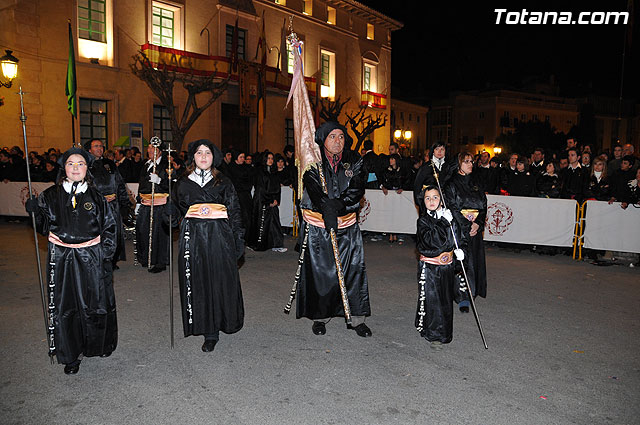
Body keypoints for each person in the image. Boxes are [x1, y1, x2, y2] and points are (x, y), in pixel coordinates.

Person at [25, 147, 117, 374]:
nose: (76, 168)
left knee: (95, 303)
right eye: (71, 164)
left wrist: (102, 255)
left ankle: (98, 344)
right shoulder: (49, 195)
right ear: (64, 168)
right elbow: (44, 228)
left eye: (81, 164)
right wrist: (35, 213)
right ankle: (70, 354)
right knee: (65, 306)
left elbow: (110, 229)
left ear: (87, 168)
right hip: (62, 258)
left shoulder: (98, 198)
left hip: (91, 257)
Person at [167, 139, 244, 352]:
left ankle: (218, 326)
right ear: (193, 156)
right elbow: (174, 213)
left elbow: (235, 212)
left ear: (214, 157)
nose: (203, 157)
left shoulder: (224, 182)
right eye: (199, 152)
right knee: (198, 281)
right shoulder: (182, 182)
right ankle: (205, 327)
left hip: (220, 237)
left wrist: (239, 240)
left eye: (207, 153)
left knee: (218, 280)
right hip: (193, 239)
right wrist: (169, 213)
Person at [296, 121, 372, 337]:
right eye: (332, 136)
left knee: (353, 270)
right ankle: (321, 317)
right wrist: (325, 206)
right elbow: (311, 185)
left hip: (347, 224)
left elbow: (357, 186)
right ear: (323, 138)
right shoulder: (313, 161)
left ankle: (357, 319)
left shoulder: (354, 159)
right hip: (320, 226)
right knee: (322, 272)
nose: (338, 141)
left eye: (341, 136)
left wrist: (338, 204)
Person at [415, 185, 466, 349]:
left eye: (435, 197)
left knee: (445, 300)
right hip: (431, 268)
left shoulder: (449, 217)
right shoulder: (423, 221)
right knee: (433, 301)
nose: (431, 201)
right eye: (427, 198)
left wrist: (460, 251)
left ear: (441, 200)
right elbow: (432, 241)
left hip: (447, 267)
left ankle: (444, 332)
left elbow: (458, 236)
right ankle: (434, 335)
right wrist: (444, 222)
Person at [445, 152, 487, 313]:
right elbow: (452, 208)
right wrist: (466, 225)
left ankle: (472, 293)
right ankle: (462, 296)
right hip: (460, 229)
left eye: (471, 161)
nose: (470, 164)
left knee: (474, 261)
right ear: (459, 164)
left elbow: (484, 205)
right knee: (462, 262)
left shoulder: (476, 182)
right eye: (466, 162)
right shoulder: (451, 184)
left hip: (474, 229)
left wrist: (478, 223)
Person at [85, 139, 130, 269]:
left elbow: (119, 183)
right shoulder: (86, 166)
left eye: (101, 146)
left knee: (114, 233)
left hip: (113, 205)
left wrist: (124, 203)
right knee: (99, 233)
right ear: (89, 150)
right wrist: (100, 198)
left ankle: (112, 260)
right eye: (96, 146)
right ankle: (98, 259)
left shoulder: (109, 163)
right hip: (97, 207)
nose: (99, 148)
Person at [136, 142, 170, 273]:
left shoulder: (165, 166)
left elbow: (172, 185)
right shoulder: (146, 165)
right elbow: (141, 184)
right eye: (149, 147)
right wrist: (138, 202)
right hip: (145, 203)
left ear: (160, 151)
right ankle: (146, 257)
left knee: (159, 233)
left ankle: (160, 262)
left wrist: (160, 181)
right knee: (143, 230)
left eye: (153, 148)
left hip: (159, 204)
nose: (150, 150)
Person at [248, 152, 287, 252]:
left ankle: (277, 244)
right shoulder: (260, 172)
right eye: (268, 158)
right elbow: (260, 188)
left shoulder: (274, 172)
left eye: (272, 158)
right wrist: (268, 201)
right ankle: (259, 244)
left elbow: (277, 187)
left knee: (275, 222)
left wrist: (276, 199)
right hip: (262, 201)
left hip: (272, 201)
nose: (270, 160)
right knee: (262, 223)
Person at [413, 141, 457, 208]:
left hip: (446, 203)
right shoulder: (425, 167)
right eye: (437, 149)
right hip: (429, 203)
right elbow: (417, 187)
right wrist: (422, 204)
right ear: (433, 151)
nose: (439, 152)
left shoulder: (450, 167)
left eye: (442, 149)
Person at [227, 150, 254, 233]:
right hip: (237, 195)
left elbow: (250, 179)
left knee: (247, 215)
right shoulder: (231, 168)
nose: (243, 159)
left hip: (246, 195)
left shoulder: (246, 167)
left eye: (243, 157)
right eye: (241, 157)